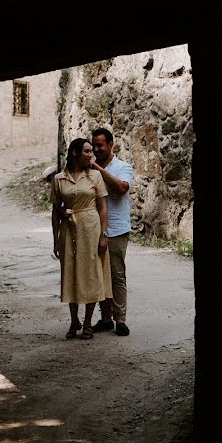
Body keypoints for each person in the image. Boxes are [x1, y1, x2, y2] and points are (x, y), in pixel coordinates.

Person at [51, 138, 112, 339]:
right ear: (75, 153)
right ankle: (74, 320)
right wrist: (55, 238)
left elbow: (103, 208)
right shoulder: (59, 179)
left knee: (91, 273)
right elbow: (55, 211)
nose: (91, 154)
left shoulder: (95, 176)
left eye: (91, 151)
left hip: (91, 228)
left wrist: (104, 235)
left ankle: (87, 323)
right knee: (70, 272)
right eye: (86, 151)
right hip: (69, 229)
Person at [87, 128, 134, 336]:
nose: (96, 149)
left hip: (116, 229)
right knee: (99, 276)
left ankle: (120, 319)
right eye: (94, 146)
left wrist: (97, 168)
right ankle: (105, 318)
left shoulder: (123, 167)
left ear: (110, 145)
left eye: (100, 146)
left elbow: (120, 188)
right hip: (94, 230)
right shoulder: (87, 171)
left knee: (116, 275)